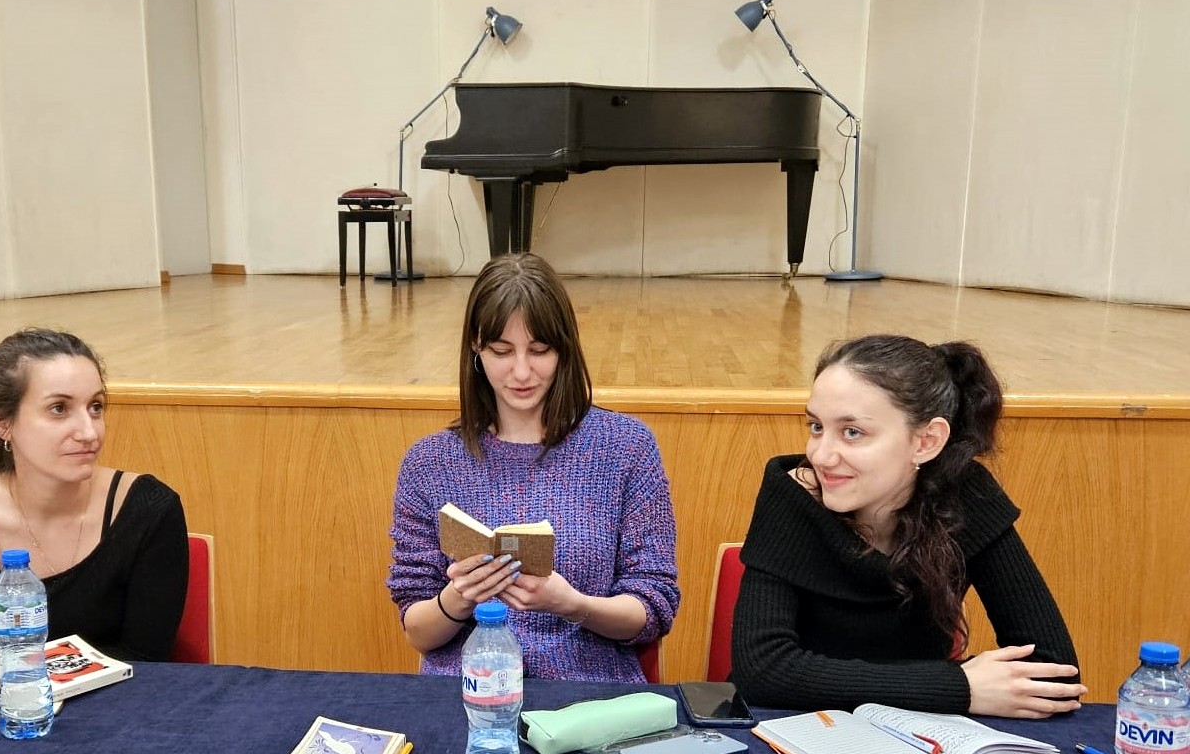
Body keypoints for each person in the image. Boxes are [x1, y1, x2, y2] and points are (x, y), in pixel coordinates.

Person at [730, 333, 1085, 717]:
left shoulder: (965, 494)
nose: (821, 455)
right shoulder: (791, 495)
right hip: (797, 728)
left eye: (852, 432)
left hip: (918, 736)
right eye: (816, 427)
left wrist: (942, 689)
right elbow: (762, 670)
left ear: (926, 442)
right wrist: (956, 687)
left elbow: (1053, 672)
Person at [386, 253, 680, 680]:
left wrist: (574, 606)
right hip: (470, 694)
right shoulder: (429, 463)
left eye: (539, 350)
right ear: (476, 348)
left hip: (588, 695)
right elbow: (417, 630)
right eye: (502, 351)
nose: (522, 372)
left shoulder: (626, 448)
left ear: (563, 349)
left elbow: (654, 606)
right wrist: (459, 598)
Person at [0, 328, 188, 659]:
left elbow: (147, 660)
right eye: (59, 408)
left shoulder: (149, 510)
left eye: (95, 407)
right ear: (1, 421)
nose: (89, 432)